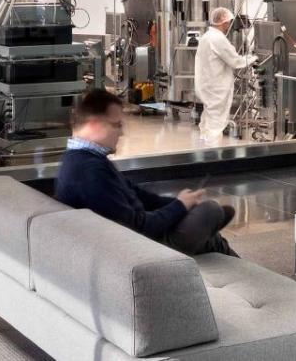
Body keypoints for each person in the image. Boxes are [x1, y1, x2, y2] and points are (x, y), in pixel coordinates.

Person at [54, 89, 238, 257]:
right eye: (116, 125)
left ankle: (211, 237)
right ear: (94, 125)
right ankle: (213, 238)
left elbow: (139, 195)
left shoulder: (84, 159)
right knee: (210, 210)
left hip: (138, 237)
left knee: (203, 214)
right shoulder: (89, 171)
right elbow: (138, 228)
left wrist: (183, 204)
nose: (121, 133)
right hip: (143, 247)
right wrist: (180, 206)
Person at [193, 7, 256, 145]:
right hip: (217, 87)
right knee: (216, 122)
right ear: (223, 22)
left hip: (207, 85)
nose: (229, 25)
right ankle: (212, 154)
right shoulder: (218, 39)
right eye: (228, 22)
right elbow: (235, 61)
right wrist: (253, 58)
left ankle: (204, 149)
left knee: (208, 119)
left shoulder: (206, 37)